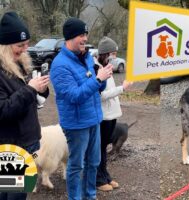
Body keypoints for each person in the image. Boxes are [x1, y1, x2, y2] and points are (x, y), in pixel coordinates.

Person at [50, 18, 112, 200]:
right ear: (69, 37)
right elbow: (74, 96)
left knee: (93, 162)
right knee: (77, 166)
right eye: (81, 35)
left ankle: (89, 196)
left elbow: (95, 89)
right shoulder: (60, 65)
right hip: (76, 125)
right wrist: (98, 79)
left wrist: (104, 77)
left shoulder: (85, 58)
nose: (85, 38)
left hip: (93, 119)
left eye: (86, 34)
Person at [0, 11, 49, 200]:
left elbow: (27, 97)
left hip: (26, 143)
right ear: (4, 46)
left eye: (27, 44)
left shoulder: (18, 64)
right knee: (13, 196)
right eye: (20, 45)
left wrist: (40, 89)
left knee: (13, 194)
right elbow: (3, 110)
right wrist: (30, 89)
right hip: (12, 147)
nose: (25, 49)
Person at [95, 36, 132, 191]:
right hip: (103, 116)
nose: (114, 57)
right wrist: (122, 88)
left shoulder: (107, 66)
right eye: (112, 53)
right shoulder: (96, 68)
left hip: (111, 115)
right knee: (100, 147)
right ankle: (99, 180)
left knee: (103, 147)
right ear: (104, 53)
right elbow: (101, 95)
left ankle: (105, 176)